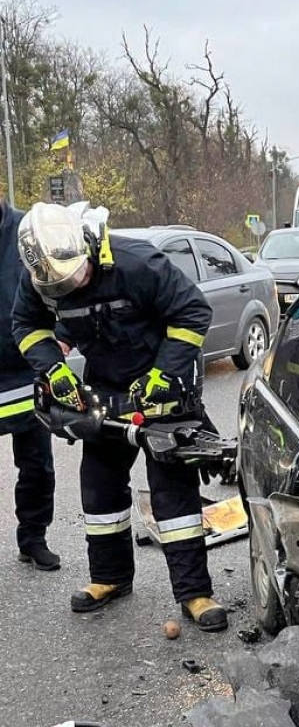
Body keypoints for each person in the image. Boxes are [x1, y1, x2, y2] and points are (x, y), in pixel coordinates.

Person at [11, 201, 227, 631]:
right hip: (105, 392)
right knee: (100, 491)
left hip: (164, 391)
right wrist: (53, 368)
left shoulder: (137, 264)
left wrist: (163, 374)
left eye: (75, 278)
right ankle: (109, 578)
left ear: (87, 248)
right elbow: (26, 325)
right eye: (60, 286)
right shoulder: (40, 277)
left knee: (173, 497)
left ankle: (195, 594)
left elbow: (193, 312)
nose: (70, 288)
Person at [0, 199, 58, 571]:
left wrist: (59, 340)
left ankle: (33, 538)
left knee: (37, 464)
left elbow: (58, 286)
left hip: (24, 369)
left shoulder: (27, 232)